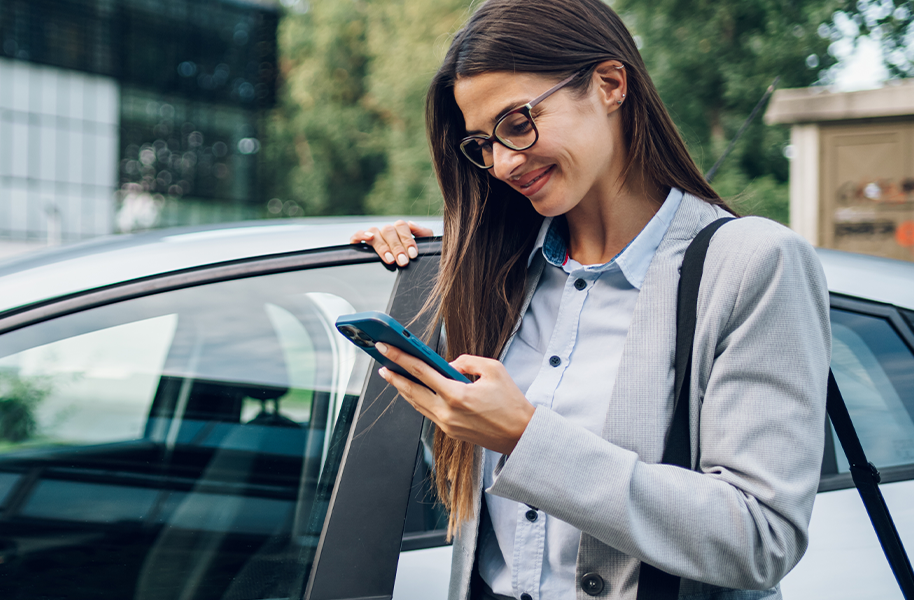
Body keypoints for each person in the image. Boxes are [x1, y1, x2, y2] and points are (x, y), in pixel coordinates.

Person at [348, 0, 831, 599]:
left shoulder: (752, 264)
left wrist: (527, 439)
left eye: (517, 123)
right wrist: (408, 273)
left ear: (609, 84)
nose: (500, 163)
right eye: (481, 144)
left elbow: (761, 539)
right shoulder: (492, 273)